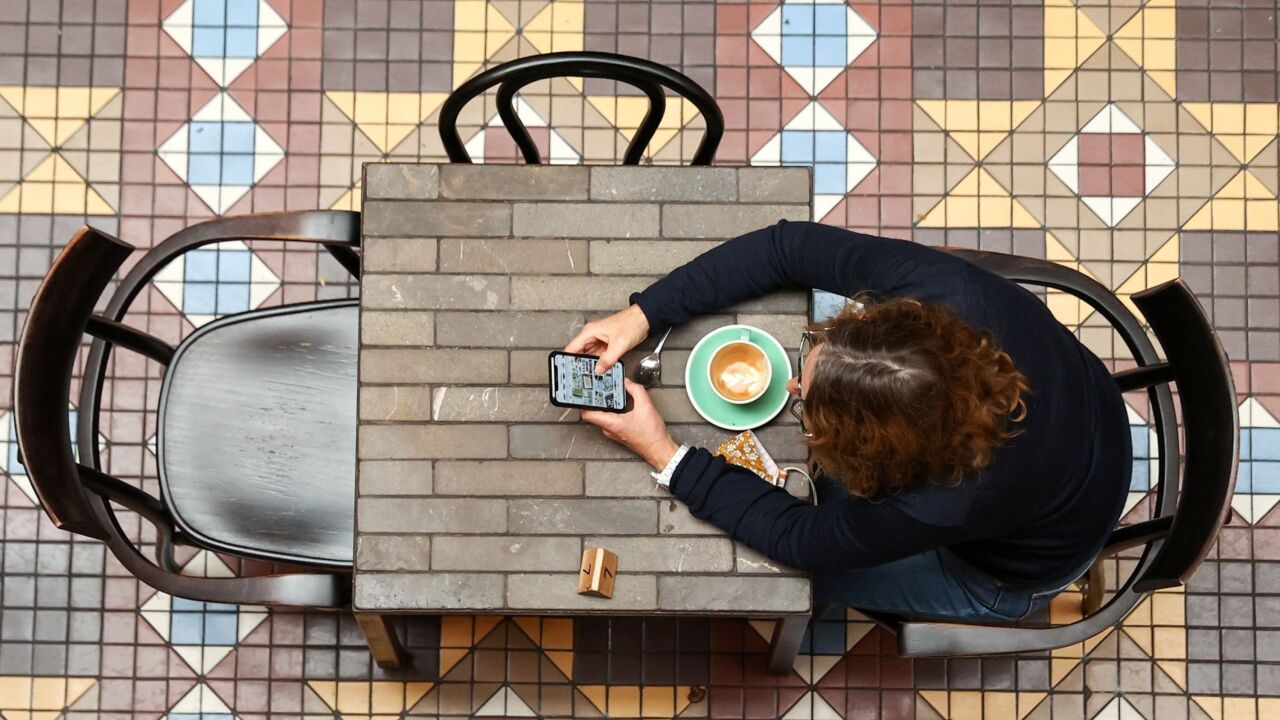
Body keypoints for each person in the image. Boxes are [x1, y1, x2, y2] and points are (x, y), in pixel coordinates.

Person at [564, 220, 1132, 622]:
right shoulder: (943, 292)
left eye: (807, 409)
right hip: (1094, 411)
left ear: (880, 458)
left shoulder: (941, 502)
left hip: (1019, 566)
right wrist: (642, 315)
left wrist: (665, 454)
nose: (790, 388)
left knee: (785, 578)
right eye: (815, 355)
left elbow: (801, 539)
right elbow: (787, 247)